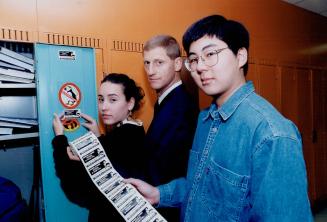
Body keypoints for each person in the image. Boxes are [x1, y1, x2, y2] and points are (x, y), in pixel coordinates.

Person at [126, 15, 313, 221]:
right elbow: (199, 186)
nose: (200, 67)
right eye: (195, 59)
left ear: (240, 57)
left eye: (210, 54)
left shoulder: (272, 135)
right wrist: (160, 194)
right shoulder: (205, 119)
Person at [52, 73, 146, 222]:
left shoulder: (120, 138)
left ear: (130, 103)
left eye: (113, 100)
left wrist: (59, 138)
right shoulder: (136, 131)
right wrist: (99, 139)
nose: (104, 107)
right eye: (101, 99)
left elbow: (74, 185)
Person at [142, 35, 199, 221]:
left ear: (177, 64)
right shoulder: (167, 101)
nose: (150, 70)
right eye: (147, 63)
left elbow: (169, 169)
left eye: (159, 62)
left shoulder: (180, 106)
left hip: (171, 208)